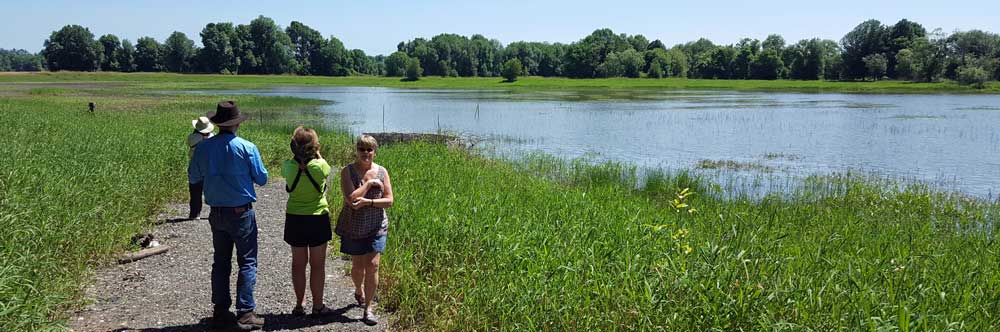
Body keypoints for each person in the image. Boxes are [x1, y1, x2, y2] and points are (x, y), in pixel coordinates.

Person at [188, 101, 268, 331]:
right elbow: (262, 179)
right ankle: (245, 313)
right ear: (236, 124)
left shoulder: (203, 148)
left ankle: (221, 311)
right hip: (241, 212)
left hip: (216, 213)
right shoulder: (247, 148)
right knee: (248, 262)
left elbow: (194, 176)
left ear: (218, 124)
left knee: (221, 262)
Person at [339, 134, 394, 325]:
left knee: (373, 266)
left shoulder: (382, 171)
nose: (365, 153)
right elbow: (351, 200)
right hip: (355, 226)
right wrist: (369, 184)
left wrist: (369, 202)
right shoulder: (347, 171)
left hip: (378, 226)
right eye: (362, 149)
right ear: (356, 150)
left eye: (369, 149)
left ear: (375, 152)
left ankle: (368, 308)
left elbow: (389, 201)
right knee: (357, 267)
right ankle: (358, 290)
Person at [281, 126, 335, 316]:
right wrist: (317, 155)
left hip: (295, 217)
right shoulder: (321, 167)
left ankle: (299, 304)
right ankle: (318, 305)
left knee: (298, 263)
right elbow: (326, 168)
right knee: (318, 265)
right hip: (317, 217)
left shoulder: (287, 166)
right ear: (315, 147)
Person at [187, 116, 214, 220]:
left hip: (194, 165)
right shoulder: (212, 137)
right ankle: (214, 212)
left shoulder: (192, 137)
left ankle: (194, 214)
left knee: (195, 192)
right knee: (212, 191)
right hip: (209, 165)